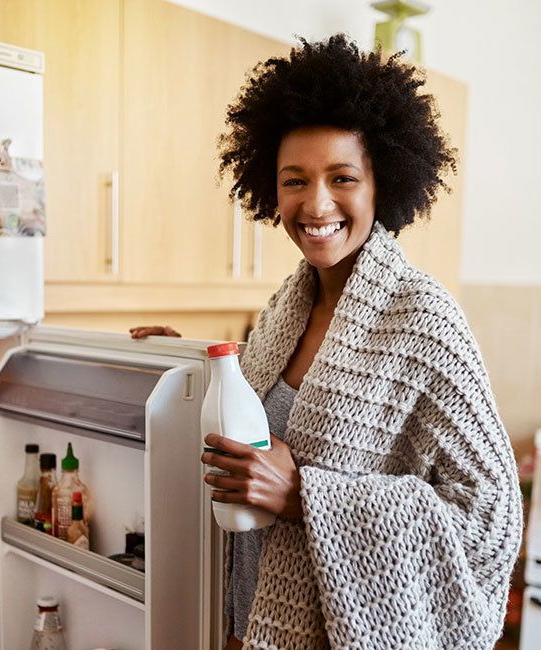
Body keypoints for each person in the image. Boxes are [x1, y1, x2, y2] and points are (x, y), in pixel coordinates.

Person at [131, 34, 522, 650]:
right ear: (271, 189)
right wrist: (180, 366)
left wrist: (306, 497)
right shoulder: (284, 309)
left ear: (379, 186)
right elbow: (259, 426)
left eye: (342, 177)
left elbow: (492, 520)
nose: (316, 204)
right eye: (294, 180)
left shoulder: (425, 321)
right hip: (249, 625)